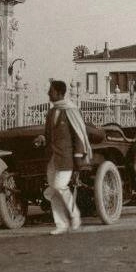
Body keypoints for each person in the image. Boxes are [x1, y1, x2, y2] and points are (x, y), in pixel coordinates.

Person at [38, 80, 92, 235]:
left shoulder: (71, 111)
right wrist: (42, 138)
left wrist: (78, 157)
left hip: (67, 158)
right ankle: (61, 224)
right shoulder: (51, 112)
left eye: (51, 91)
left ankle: (75, 215)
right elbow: (48, 135)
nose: (49, 93)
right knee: (55, 192)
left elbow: (79, 135)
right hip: (53, 158)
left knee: (59, 186)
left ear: (60, 93)